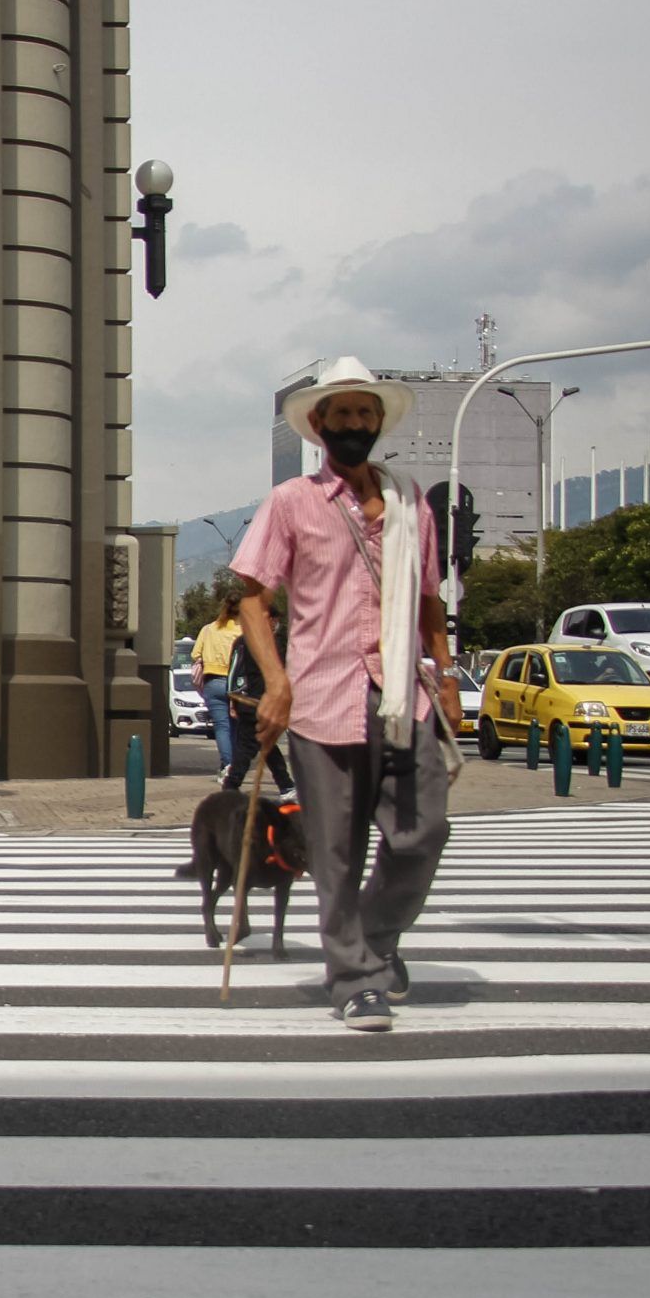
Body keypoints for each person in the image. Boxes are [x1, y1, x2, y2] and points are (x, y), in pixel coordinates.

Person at [230, 355, 461, 1031]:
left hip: (402, 695)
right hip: (323, 696)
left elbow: (428, 602)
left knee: (423, 833)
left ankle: (372, 936)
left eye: (366, 413)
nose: (355, 424)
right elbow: (252, 599)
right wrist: (276, 682)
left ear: (378, 422)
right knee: (335, 849)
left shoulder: (410, 502)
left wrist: (446, 678)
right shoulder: (291, 503)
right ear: (320, 425)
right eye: (343, 414)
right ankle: (357, 977)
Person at [217, 618, 296, 797]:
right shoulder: (262, 643)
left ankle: (286, 785)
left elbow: (233, 673)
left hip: (249, 701)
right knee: (247, 747)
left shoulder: (243, 642)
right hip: (255, 702)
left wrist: (233, 698)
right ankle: (231, 784)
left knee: (266, 744)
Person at [189, 603, 242, 781]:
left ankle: (227, 765)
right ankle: (231, 765)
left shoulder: (208, 629)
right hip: (236, 684)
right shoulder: (243, 631)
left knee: (221, 727)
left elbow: (195, 654)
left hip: (213, 681)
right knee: (235, 727)